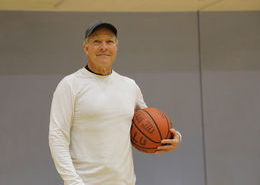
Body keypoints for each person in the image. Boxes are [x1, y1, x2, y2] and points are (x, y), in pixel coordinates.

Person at [48, 21, 182, 185]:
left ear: (116, 47)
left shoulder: (129, 85)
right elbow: (57, 138)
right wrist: (74, 182)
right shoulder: (69, 85)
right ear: (86, 48)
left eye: (109, 41)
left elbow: (152, 123)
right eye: (97, 41)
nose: (104, 46)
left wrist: (174, 138)